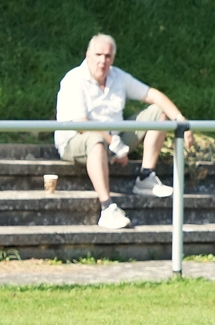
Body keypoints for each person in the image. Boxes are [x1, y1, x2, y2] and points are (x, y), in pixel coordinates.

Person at [54, 34, 193, 229]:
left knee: (159, 112)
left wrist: (181, 120)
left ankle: (146, 177)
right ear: (88, 55)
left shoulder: (118, 76)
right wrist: (114, 144)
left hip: (115, 139)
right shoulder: (73, 79)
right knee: (95, 140)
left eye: (108, 56)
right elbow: (81, 124)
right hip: (77, 140)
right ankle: (107, 208)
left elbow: (152, 94)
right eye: (98, 55)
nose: (103, 61)